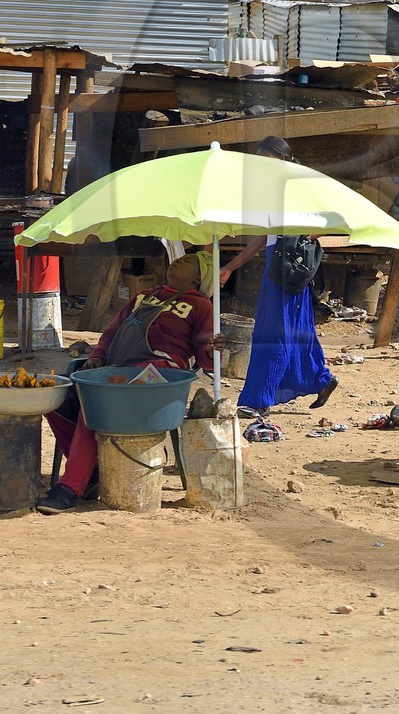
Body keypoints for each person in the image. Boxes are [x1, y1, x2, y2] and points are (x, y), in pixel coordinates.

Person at [37, 252, 223, 514]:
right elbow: (112, 331)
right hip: (118, 368)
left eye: (188, 262)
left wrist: (215, 348)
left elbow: (208, 361)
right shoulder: (142, 296)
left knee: (99, 402)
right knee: (53, 396)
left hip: (159, 375)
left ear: (198, 279)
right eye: (179, 259)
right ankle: (92, 474)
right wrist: (97, 356)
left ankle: (69, 487)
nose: (178, 261)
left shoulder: (200, 305)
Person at [219, 135, 339, 416]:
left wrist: (298, 240)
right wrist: (230, 267)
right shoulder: (272, 194)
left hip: (288, 265)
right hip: (278, 266)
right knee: (297, 329)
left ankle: (258, 400)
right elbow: (264, 238)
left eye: (267, 161)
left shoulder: (301, 189)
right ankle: (321, 380)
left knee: (272, 333)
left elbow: (332, 221)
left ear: (283, 161)